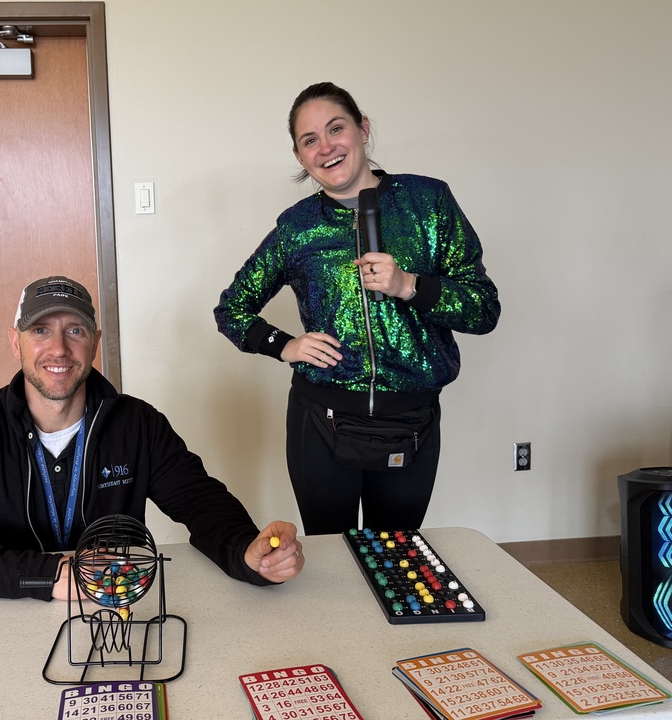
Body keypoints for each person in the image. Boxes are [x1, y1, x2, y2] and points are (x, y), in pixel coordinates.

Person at [0, 275, 304, 600]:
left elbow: (201, 503)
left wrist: (248, 555)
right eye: (39, 331)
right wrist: (49, 576)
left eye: (75, 331)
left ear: (95, 344)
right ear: (15, 342)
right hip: (1, 619)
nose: (58, 349)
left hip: (116, 611)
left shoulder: (137, 424)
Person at [214, 82, 500, 535]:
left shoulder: (428, 203)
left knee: (396, 558)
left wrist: (411, 286)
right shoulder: (297, 228)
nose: (326, 147)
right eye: (310, 140)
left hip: (412, 422)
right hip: (321, 424)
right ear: (300, 157)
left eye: (336, 128)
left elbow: (484, 310)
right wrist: (285, 345)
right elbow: (232, 309)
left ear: (363, 129)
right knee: (332, 565)